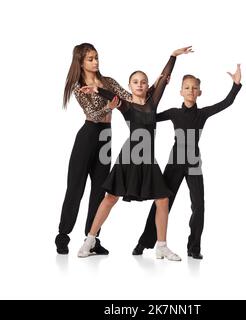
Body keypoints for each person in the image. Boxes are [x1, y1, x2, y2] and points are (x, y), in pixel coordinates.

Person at [77, 46, 193, 261]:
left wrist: (173, 56)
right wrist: (96, 91)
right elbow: (112, 95)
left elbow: (165, 77)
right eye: (135, 82)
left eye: (143, 82)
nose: (140, 85)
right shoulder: (127, 106)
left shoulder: (153, 103)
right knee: (110, 197)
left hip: (148, 159)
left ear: (148, 86)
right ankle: (89, 240)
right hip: (129, 157)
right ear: (129, 86)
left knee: (163, 200)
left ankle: (161, 246)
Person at [132, 64, 242, 259]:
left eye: (194, 88)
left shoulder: (203, 113)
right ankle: (144, 242)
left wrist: (236, 84)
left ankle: (194, 248)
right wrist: (142, 98)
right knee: (162, 203)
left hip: (193, 164)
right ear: (181, 91)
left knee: (199, 205)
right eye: (187, 87)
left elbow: (226, 103)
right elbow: (150, 117)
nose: (191, 90)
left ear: (200, 92)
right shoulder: (174, 112)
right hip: (174, 163)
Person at [55, 43, 133, 255]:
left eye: (96, 57)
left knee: (99, 191)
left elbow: (130, 97)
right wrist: (109, 106)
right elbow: (92, 114)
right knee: (75, 188)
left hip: (105, 138)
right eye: (90, 59)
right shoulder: (78, 86)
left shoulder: (108, 82)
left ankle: (92, 239)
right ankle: (63, 236)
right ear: (80, 62)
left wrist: (154, 83)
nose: (95, 62)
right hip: (88, 137)